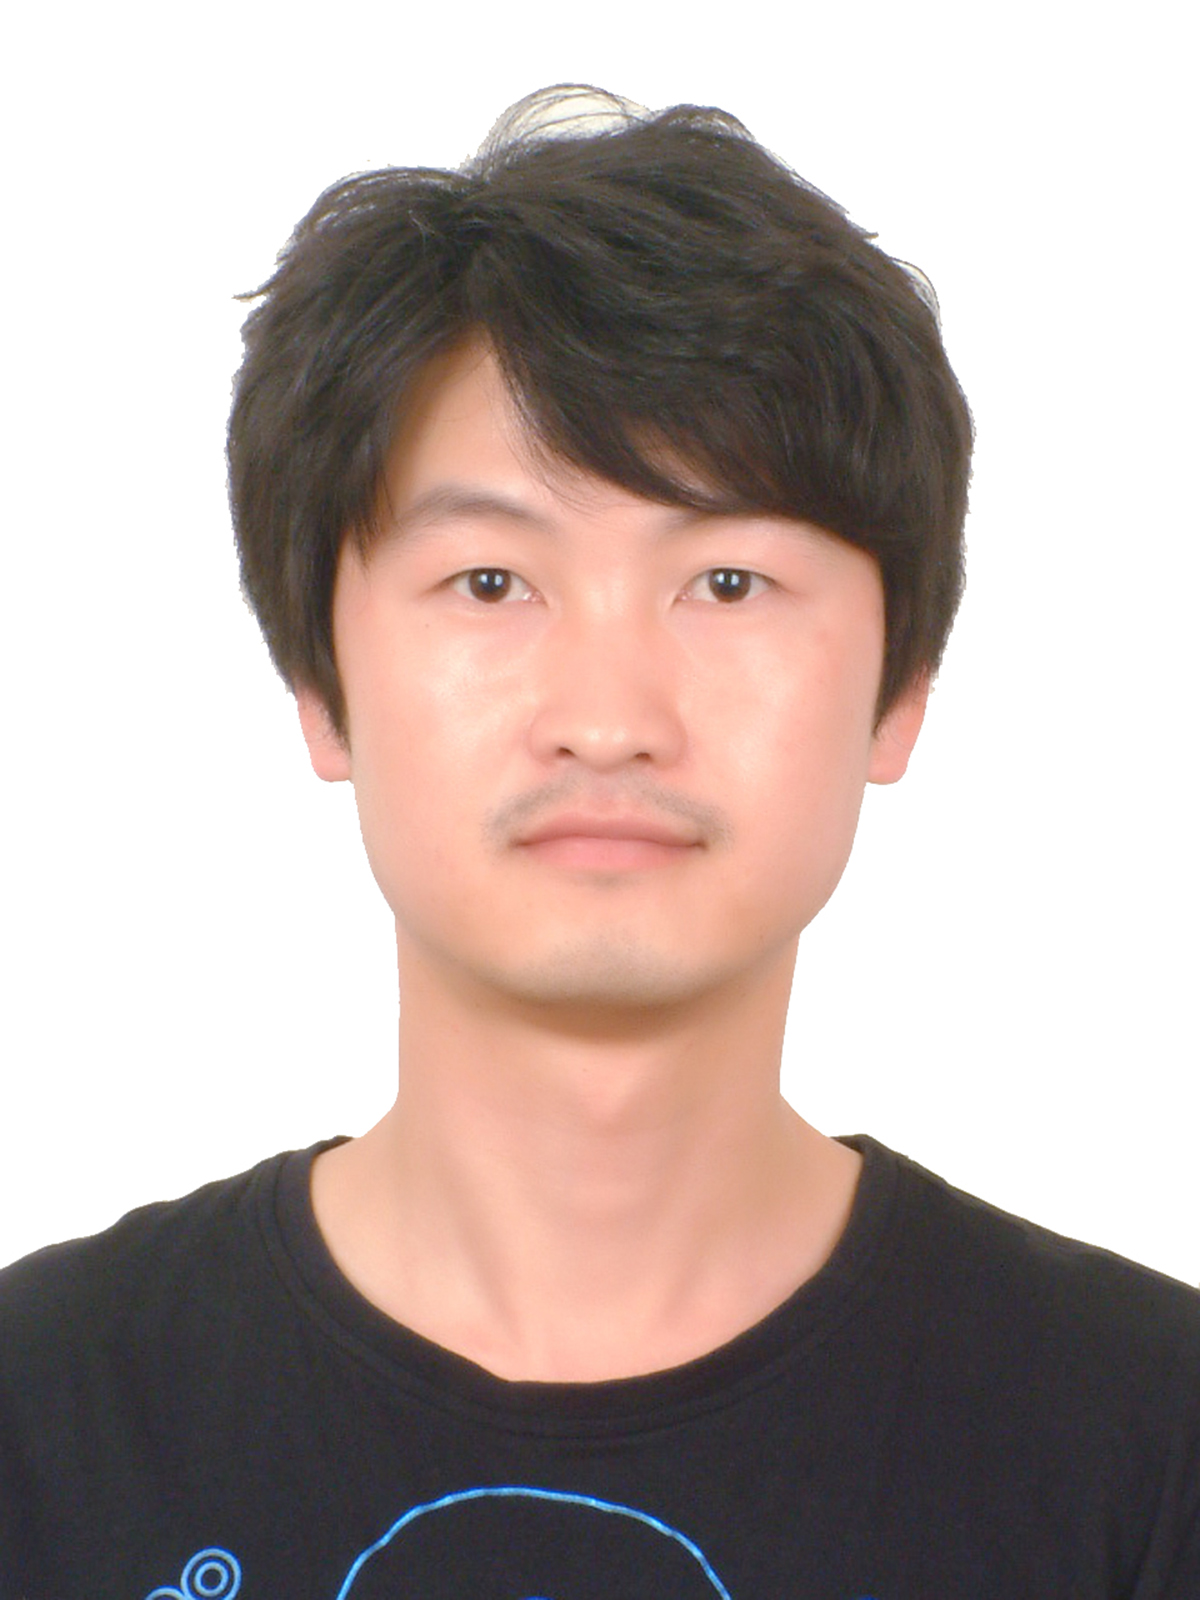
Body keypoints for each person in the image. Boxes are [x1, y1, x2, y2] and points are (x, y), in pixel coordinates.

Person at [1, 84, 1196, 1600]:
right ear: (321, 684)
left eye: (728, 584)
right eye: (492, 582)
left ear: (899, 692)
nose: (610, 720)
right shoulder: (44, 1421)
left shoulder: (1146, 1445)